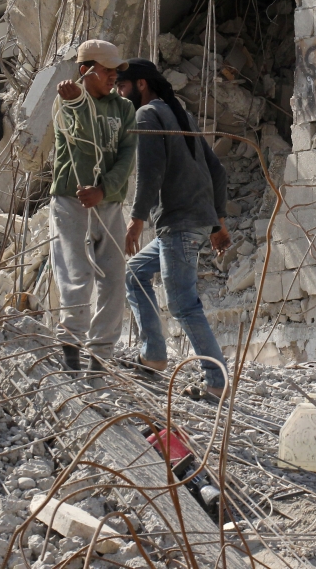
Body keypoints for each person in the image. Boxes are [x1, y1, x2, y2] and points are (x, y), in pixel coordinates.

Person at [117, 58, 232, 402]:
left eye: (122, 86)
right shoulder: (181, 114)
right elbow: (218, 170)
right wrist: (217, 222)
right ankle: (153, 353)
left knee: (182, 303)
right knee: (135, 273)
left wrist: (136, 220)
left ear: (140, 84)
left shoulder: (147, 116)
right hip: (192, 220)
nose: (120, 94)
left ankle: (217, 379)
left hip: (179, 223)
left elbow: (150, 171)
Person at [49, 40, 137, 372]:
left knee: (114, 279)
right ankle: (71, 350)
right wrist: (74, 102)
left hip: (109, 205)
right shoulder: (66, 102)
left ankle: (100, 357)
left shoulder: (124, 109)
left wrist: (105, 190)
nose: (114, 75)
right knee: (77, 275)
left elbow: (127, 156)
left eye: (116, 70)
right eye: (107, 69)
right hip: (71, 204)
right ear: (86, 70)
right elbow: (77, 134)